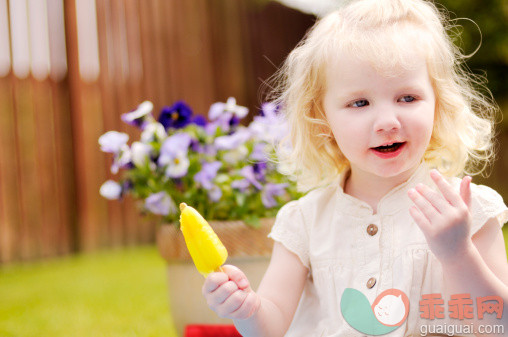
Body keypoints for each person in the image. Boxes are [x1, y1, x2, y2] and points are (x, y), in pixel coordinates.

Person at [202, 0, 508, 335]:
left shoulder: (467, 209)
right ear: (322, 119)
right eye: (359, 103)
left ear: (439, 104)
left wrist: (458, 254)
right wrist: (246, 308)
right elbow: (268, 326)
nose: (387, 122)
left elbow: (498, 324)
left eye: (407, 98)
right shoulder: (304, 221)